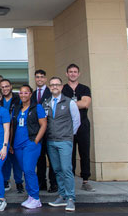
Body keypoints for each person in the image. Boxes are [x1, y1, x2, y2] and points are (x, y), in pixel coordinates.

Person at [45, 77, 80, 212]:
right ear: (49, 87)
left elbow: (76, 121)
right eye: (52, 85)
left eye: (57, 85)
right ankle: (62, 195)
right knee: (57, 170)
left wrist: (68, 135)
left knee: (66, 169)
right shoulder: (46, 103)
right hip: (51, 141)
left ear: (61, 87)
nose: (54, 87)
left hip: (64, 140)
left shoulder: (69, 102)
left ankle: (71, 198)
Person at [10, 85, 47, 209]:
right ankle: (30, 196)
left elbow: (43, 125)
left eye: (26, 93)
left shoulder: (37, 107)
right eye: (21, 93)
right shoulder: (17, 108)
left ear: (31, 94)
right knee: (25, 170)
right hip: (17, 144)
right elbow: (12, 127)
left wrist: (36, 140)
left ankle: (36, 198)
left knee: (29, 170)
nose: (23, 95)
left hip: (30, 143)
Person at [62, 64, 94, 192]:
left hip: (83, 125)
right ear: (67, 74)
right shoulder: (63, 89)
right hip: (67, 125)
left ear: (79, 74)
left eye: (75, 72)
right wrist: (77, 104)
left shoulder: (85, 88)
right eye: (70, 72)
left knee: (84, 153)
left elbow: (85, 103)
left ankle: (85, 180)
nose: (73, 74)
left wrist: (68, 104)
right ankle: (71, 181)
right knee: (69, 154)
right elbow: (60, 105)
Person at [33, 69, 57, 193]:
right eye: (37, 77)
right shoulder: (32, 94)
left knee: (52, 158)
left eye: (42, 77)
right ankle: (41, 183)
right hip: (37, 132)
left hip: (50, 131)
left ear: (45, 79)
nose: (40, 79)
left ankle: (53, 184)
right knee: (39, 159)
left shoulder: (51, 93)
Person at [0, 78, 23, 193]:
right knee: (5, 159)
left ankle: (19, 183)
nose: (5, 89)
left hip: (16, 131)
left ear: (11, 87)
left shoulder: (18, 99)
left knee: (16, 159)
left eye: (7, 86)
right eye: (2, 87)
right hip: (3, 133)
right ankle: (5, 181)